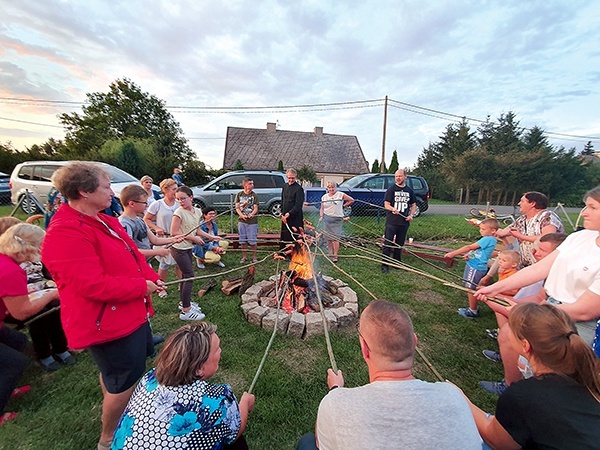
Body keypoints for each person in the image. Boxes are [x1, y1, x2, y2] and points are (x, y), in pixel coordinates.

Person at [41, 161, 166, 449]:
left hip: (130, 312)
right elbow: (91, 285)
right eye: (106, 186)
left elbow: (132, 255)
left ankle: (123, 415)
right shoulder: (65, 232)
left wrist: (149, 278)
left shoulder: (102, 219)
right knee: (124, 380)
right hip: (106, 323)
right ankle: (109, 438)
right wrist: (140, 287)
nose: (113, 192)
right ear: (84, 191)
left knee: (118, 375)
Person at [297, 300, 481, 450]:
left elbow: (322, 444)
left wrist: (336, 390)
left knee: (307, 442)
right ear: (415, 342)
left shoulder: (335, 404)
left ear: (364, 349)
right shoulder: (454, 396)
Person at [475, 186, 600, 395]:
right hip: (551, 306)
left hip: (579, 323)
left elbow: (586, 310)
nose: (584, 212)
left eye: (592, 207)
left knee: (555, 377)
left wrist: (535, 312)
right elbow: (540, 268)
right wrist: (495, 288)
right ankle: (514, 389)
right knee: (511, 336)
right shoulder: (581, 238)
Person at [460, 303, 600, 449]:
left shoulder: (523, 395)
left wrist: (459, 397)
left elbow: (498, 442)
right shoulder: (587, 380)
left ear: (525, 345)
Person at [112, 322, 255, 449]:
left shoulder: (151, 378)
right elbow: (236, 431)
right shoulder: (216, 400)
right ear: (199, 368)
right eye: (217, 349)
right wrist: (245, 403)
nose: (221, 351)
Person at [0, 223, 64, 425]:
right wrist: (52, 294)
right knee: (15, 363)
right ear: (26, 246)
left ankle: (7, 387)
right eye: (39, 246)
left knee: (18, 342)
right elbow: (22, 312)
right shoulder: (10, 271)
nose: (41, 251)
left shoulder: (6, 262)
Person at [170, 186, 214, 321]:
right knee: (189, 276)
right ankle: (186, 311)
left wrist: (212, 237)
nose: (180, 202)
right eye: (178, 199)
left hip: (187, 247)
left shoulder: (198, 211)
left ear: (191, 197)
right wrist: (193, 238)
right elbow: (174, 232)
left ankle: (184, 303)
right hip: (179, 248)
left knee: (185, 275)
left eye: (183, 198)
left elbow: (197, 230)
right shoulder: (178, 213)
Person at [444, 218, 499, 318]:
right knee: (471, 286)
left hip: (476, 267)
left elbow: (469, 247)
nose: (480, 231)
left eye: (483, 229)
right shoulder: (488, 238)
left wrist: (453, 253)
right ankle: (479, 306)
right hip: (473, 264)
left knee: (470, 288)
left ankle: (473, 311)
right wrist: (469, 256)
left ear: (493, 230)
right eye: (480, 228)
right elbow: (479, 252)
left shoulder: (488, 239)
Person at [119, 184, 183, 261]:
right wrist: (156, 252)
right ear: (132, 204)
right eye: (144, 203)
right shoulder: (124, 224)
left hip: (144, 263)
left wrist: (173, 239)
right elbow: (130, 250)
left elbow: (155, 240)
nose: (146, 206)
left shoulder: (140, 220)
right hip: (134, 265)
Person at [143, 179, 182, 281]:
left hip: (178, 238)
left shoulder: (179, 204)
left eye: (177, 189)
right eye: (174, 189)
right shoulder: (157, 204)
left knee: (180, 263)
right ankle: (161, 287)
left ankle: (182, 284)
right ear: (165, 190)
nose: (176, 191)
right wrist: (156, 228)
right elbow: (146, 219)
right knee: (164, 264)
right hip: (164, 238)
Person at [381, 169, 416, 273]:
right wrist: (393, 209)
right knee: (388, 243)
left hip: (404, 222)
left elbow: (413, 204)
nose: (398, 178)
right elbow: (386, 204)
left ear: (405, 177)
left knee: (399, 244)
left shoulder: (409, 191)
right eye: (396, 176)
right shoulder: (391, 189)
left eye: (400, 176)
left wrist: (411, 215)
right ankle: (385, 264)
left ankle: (396, 262)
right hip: (392, 222)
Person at [319, 181, 354, 263]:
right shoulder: (324, 197)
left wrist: (343, 206)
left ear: (336, 187)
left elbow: (351, 200)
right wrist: (321, 216)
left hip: (337, 219)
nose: (331, 189)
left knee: (335, 238)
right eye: (329, 187)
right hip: (327, 218)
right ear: (327, 188)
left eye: (332, 187)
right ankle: (330, 253)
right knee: (328, 238)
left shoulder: (340, 195)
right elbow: (322, 208)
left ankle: (335, 255)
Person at [235, 178, 259, 263]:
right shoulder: (239, 194)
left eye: (252, 183)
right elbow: (237, 208)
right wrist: (242, 215)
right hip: (242, 222)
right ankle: (244, 257)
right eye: (250, 183)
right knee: (242, 240)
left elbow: (256, 208)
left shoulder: (254, 195)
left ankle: (254, 257)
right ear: (245, 185)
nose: (252, 185)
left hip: (252, 222)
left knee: (252, 240)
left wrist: (252, 214)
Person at [280, 168, 304, 249]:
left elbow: (298, 205)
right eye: (289, 178)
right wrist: (282, 212)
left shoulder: (299, 189)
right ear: (287, 177)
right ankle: (284, 252)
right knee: (285, 234)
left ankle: (295, 253)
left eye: (292, 178)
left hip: (295, 217)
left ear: (295, 177)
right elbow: (283, 200)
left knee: (294, 235)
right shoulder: (284, 186)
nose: (291, 180)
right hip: (285, 216)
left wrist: (289, 213)